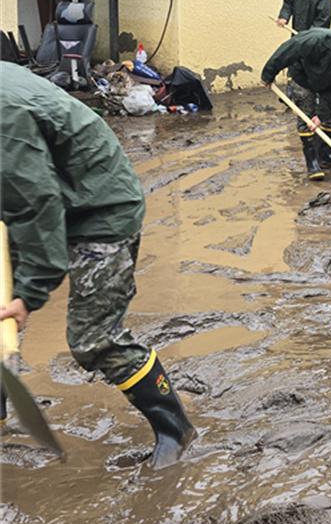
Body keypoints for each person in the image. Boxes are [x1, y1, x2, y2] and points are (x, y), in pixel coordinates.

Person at [0, 63, 195, 468]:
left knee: (93, 337)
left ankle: (175, 430)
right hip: (38, 195)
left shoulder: (4, 115)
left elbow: (36, 202)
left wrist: (29, 294)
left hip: (100, 207)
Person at [261, 28, 331, 179]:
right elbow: (288, 50)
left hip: (329, 82)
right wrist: (268, 74)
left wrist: (322, 115)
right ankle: (312, 161)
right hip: (303, 76)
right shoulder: (319, 41)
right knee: (307, 114)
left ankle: (326, 156)